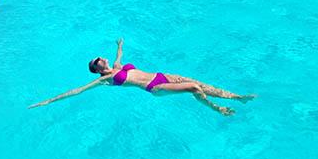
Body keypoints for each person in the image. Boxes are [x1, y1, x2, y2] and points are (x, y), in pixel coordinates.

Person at [28, 39, 255, 116]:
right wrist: (48, 101)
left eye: (101, 58)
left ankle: (235, 98)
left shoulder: (116, 65)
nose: (103, 59)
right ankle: (218, 109)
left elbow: (120, 55)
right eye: (99, 61)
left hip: (160, 75)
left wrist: (119, 45)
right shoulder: (103, 80)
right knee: (194, 88)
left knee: (199, 82)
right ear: (97, 69)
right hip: (155, 88)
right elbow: (78, 90)